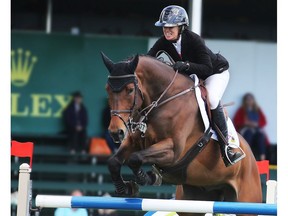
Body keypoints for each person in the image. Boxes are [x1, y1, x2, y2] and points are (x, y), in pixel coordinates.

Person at [147, 5, 245, 166]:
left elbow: (206, 68)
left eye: (171, 27)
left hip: (215, 73)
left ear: (181, 27)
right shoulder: (163, 42)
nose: (166, 30)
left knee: (212, 99)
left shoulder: (194, 39)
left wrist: (185, 65)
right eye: (164, 27)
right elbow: (148, 58)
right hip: (195, 76)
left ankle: (227, 146)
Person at [233, 93, 269, 160]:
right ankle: (247, 158)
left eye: (251, 99)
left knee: (260, 137)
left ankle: (262, 160)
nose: (249, 101)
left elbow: (264, 121)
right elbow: (236, 121)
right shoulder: (241, 110)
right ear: (245, 101)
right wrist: (245, 123)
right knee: (248, 134)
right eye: (247, 100)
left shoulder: (257, 110)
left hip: (256, 129)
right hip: (246, 129)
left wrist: (256, 124)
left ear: (253, 100)